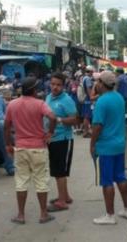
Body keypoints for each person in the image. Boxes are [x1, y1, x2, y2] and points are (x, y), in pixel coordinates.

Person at [5, 77, 57, 225]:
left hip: (20, 147)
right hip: (38, 147)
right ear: (34, 90)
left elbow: (6, 126)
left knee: (21, 181)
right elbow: (52, 117)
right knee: (41, 181)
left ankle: (21, 215)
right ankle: (43, 214)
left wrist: (8, 144)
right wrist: (50, 133)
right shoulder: (40, 104)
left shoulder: (12, 104)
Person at [90, 71, 127, 225]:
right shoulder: (119, 97)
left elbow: (97, 126)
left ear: (102, 83)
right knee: (120, 177)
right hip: (119, 144)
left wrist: (92, 143)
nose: (96, 84)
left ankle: (110, 215)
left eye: (98, 82)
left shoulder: (102, 101)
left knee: (107, 181)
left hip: (106, 146)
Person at [45, 73, 79, 212]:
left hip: (63, 139)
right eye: (53, 84)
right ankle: (65, 196)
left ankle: (62, 202)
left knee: (59, 171)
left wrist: (59, 120)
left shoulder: (67, 100)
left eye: (58, 85)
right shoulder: (48, 97)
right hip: (51, 139)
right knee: (58, 170)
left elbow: (75, 120)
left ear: (63, 86)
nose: (55, 87)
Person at [81, 66, 95, 137]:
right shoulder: (88, 79)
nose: (92, 73)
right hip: (88, 99)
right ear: (90, 71)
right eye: (92, 72)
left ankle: (86, 132)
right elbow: (89, 90)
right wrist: (91, 98)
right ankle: (86, 132)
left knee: (86, 116)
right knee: (87, 116)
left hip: (86, 99)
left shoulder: (84, 78)